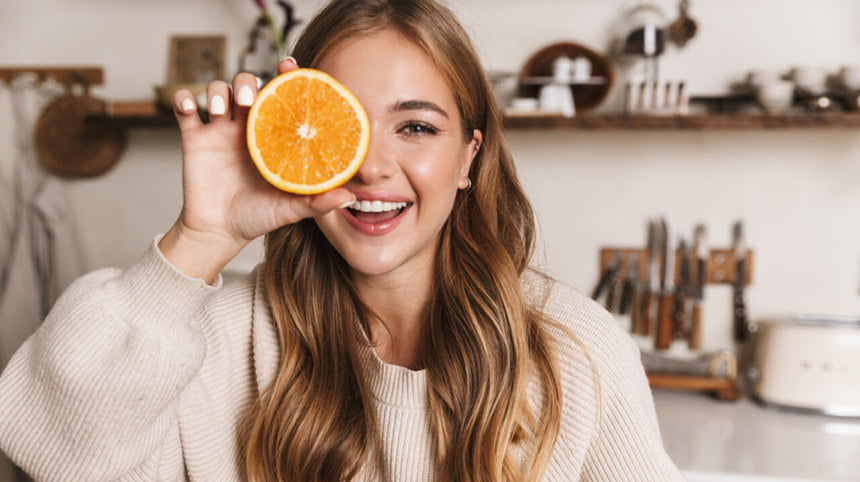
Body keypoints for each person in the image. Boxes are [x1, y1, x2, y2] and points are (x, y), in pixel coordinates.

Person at [0, 0, 685, 480]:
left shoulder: (571, 349)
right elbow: (51, 449)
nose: (371, 165)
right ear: (296, 142)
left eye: (415, 127)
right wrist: (202, 238)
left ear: (470, 157)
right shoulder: (215, 339)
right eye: (343, 127)